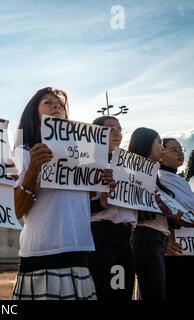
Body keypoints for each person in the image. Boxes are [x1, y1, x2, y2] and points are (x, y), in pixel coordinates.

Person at [11, 87, 114, 300]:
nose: (57, 106)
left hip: (79, 253)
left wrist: (103, 185)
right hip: (42, 255)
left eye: (61, 104)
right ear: (34, 113)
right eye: (48, 102)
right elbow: (16, 209)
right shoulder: (23, 153)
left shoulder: (84, 157)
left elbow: (79, 203)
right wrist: (32, 171)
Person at [128, 128, 187, 300]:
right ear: (145, 143)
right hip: (145, 237)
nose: (162, 148)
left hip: (160, 238)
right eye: (159, 142)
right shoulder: (132, 173)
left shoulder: (155, 176)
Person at [88, 116, 137, 301]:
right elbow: (75, 206)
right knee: (103, 291)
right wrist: (99, 203)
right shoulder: (86, 164)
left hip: (126, 236)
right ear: (96, 133)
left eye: (119, 129)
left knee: (123, 290)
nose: (117, 133)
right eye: (110, 128)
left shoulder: (129, 166)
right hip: (100, 235)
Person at [159, 138, 194, 300]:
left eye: (181, 149)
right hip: (172, 248)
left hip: (189, 246)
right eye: (174, 150)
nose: (180, 152)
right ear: (161, 154)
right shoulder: (156, 180)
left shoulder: (183, 182)